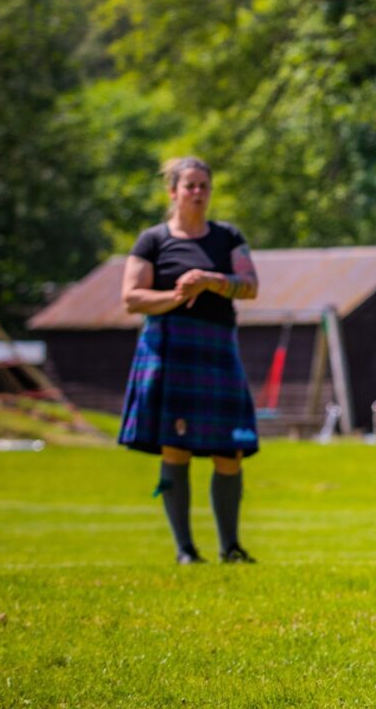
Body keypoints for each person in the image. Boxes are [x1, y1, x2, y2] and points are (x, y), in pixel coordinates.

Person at [118, 156, 261, 565]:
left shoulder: (228, 237)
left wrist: (211, 280)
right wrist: (176, 296)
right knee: (175, 447)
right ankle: (185, 550)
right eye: (190, 186)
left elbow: (249, 287)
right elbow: (131, 297)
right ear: (173, 192)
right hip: (170, 349)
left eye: (204, 186)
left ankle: (230, 547)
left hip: (216, 350)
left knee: (228, 449)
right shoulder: (153, 241)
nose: (198, 192)